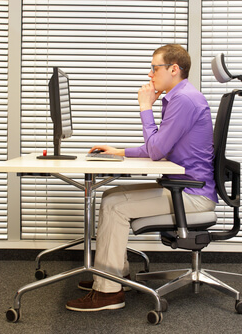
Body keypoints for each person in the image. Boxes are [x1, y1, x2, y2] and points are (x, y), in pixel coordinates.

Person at [65, 44, 218, 312]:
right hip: (184, 189)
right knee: (111, 195)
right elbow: (158, 146)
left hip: (192, 196)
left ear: (173, 69)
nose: (150, 75)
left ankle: (109, 293)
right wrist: (119, 151)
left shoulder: (184, 100)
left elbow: (157, 151)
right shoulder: (179, 97)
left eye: (154, 67)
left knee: (115, 205)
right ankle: (113, 276)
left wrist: (145, 107)